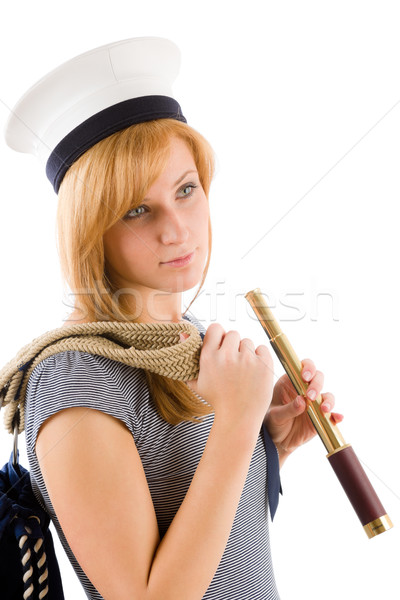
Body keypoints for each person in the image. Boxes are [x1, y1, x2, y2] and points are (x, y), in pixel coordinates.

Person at [4, 37, 342, 600]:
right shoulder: (75, 376)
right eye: (137, 209)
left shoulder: (190, 343)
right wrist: (235, 422)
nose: (176, 229)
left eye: (186, 191)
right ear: (90, 230)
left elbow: (218, 562)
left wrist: (270, 444)